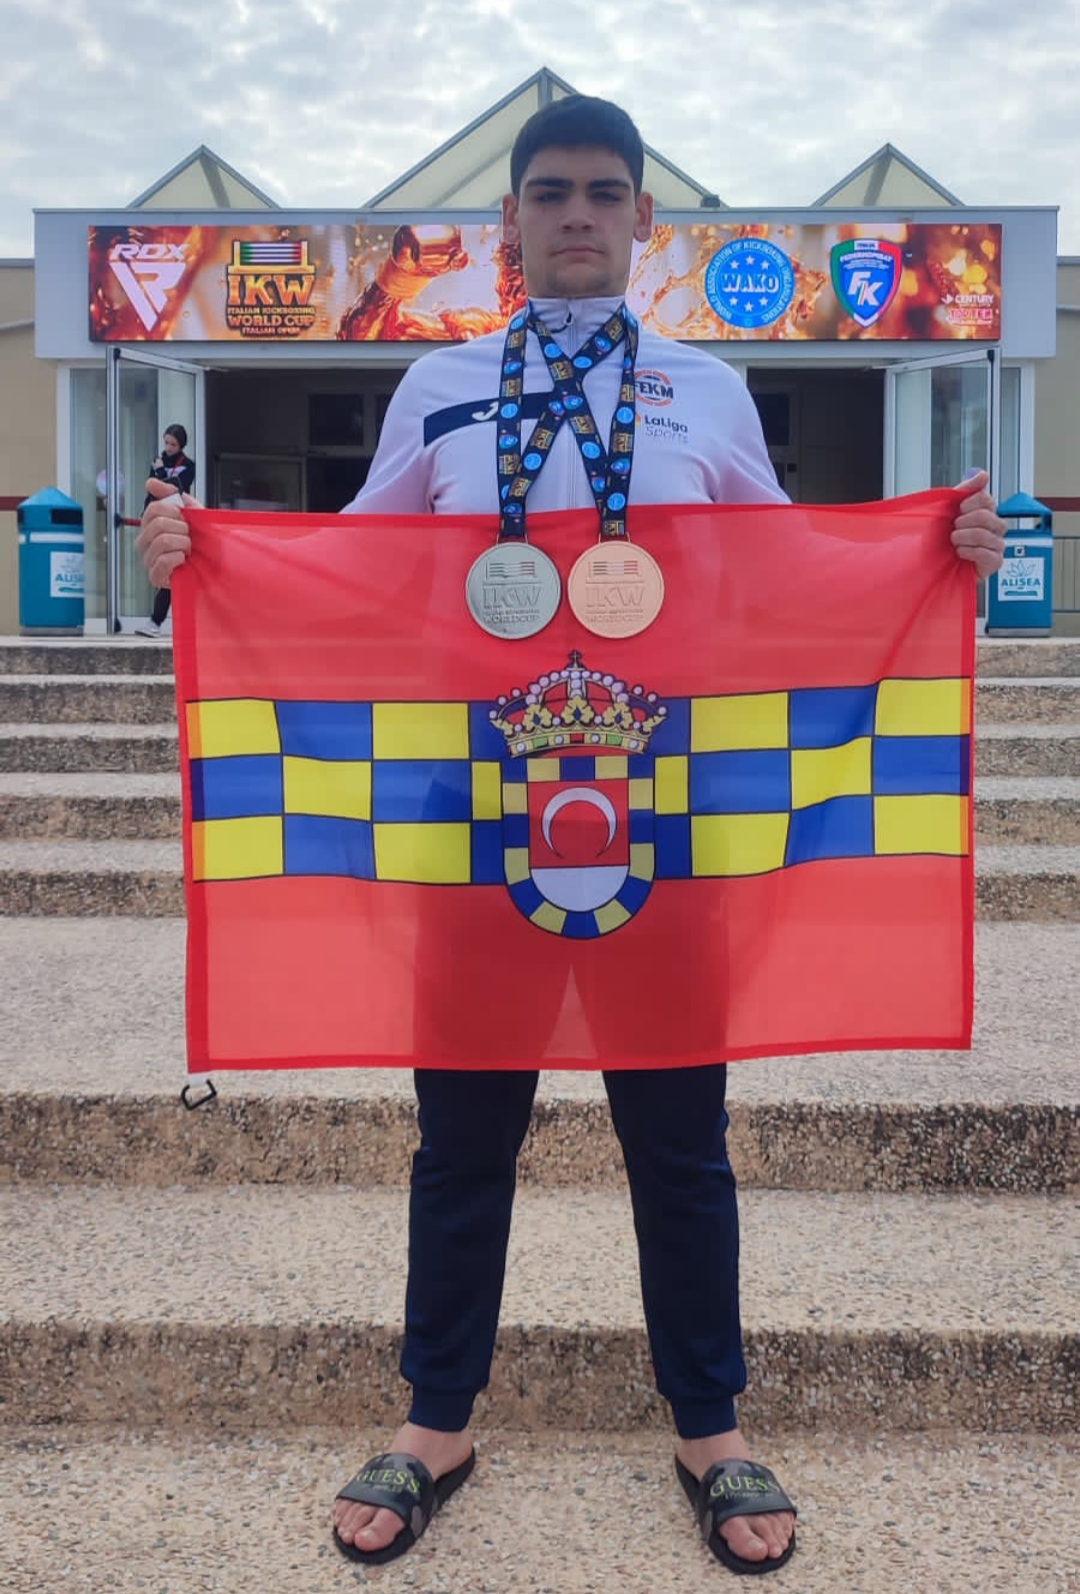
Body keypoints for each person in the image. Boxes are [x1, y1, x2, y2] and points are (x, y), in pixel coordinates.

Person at [137, 95, 1006, 1575]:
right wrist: (198, 558)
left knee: (681, 1136)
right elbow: (359, 574)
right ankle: (436, 1420)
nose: (580, 213)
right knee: (461, 1132)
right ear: (513, 223)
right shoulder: (437, 387)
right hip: (473, 812)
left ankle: (711, 1426)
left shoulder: (709, 393)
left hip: (661, 812)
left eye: (607, 191)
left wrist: (937, 560)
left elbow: (780, 580)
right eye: (554, 192)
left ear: (643, 221)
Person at [135, 424, 195, 637]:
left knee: (173, 574)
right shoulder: (157, 461)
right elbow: (152, 490)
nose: (168, 448)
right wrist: (145, 514)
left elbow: (178, 487)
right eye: (166, 442)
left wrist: (161, 471)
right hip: (159, 521)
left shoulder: (188, 465)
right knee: (164, 574)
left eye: (173, 444)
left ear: (181, 445)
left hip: (177, 523)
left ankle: (157, 621)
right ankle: (157, 621)